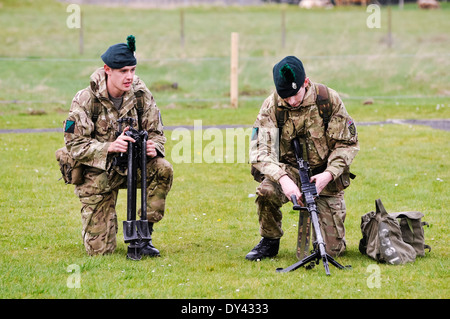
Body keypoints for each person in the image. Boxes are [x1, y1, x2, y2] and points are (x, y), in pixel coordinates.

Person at [64, 35, 173, 257]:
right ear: (108, 70)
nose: (129, 76)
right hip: (98, 174)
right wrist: (110, 147)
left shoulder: (141, 94)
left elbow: (157, 133)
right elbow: (74, 144)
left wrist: (154, 146)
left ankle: (143, 236)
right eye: (123, 71)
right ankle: (103, 227)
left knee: (163, 168)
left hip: (134, 168)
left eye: (132, 70)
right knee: (101, 252)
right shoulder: (85, 100)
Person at [247, 56, 359, 261]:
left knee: (333, 251)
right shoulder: (271, 106)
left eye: (294, 95)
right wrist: (283, 179)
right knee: (266, 191)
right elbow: (260, 152)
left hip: (324, 175)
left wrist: (328, 175)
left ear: (305, 83)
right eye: (285, 97)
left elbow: (347, 145)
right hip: (290, 171)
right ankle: (270, 241)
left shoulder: (328, 100)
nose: (290, 101)